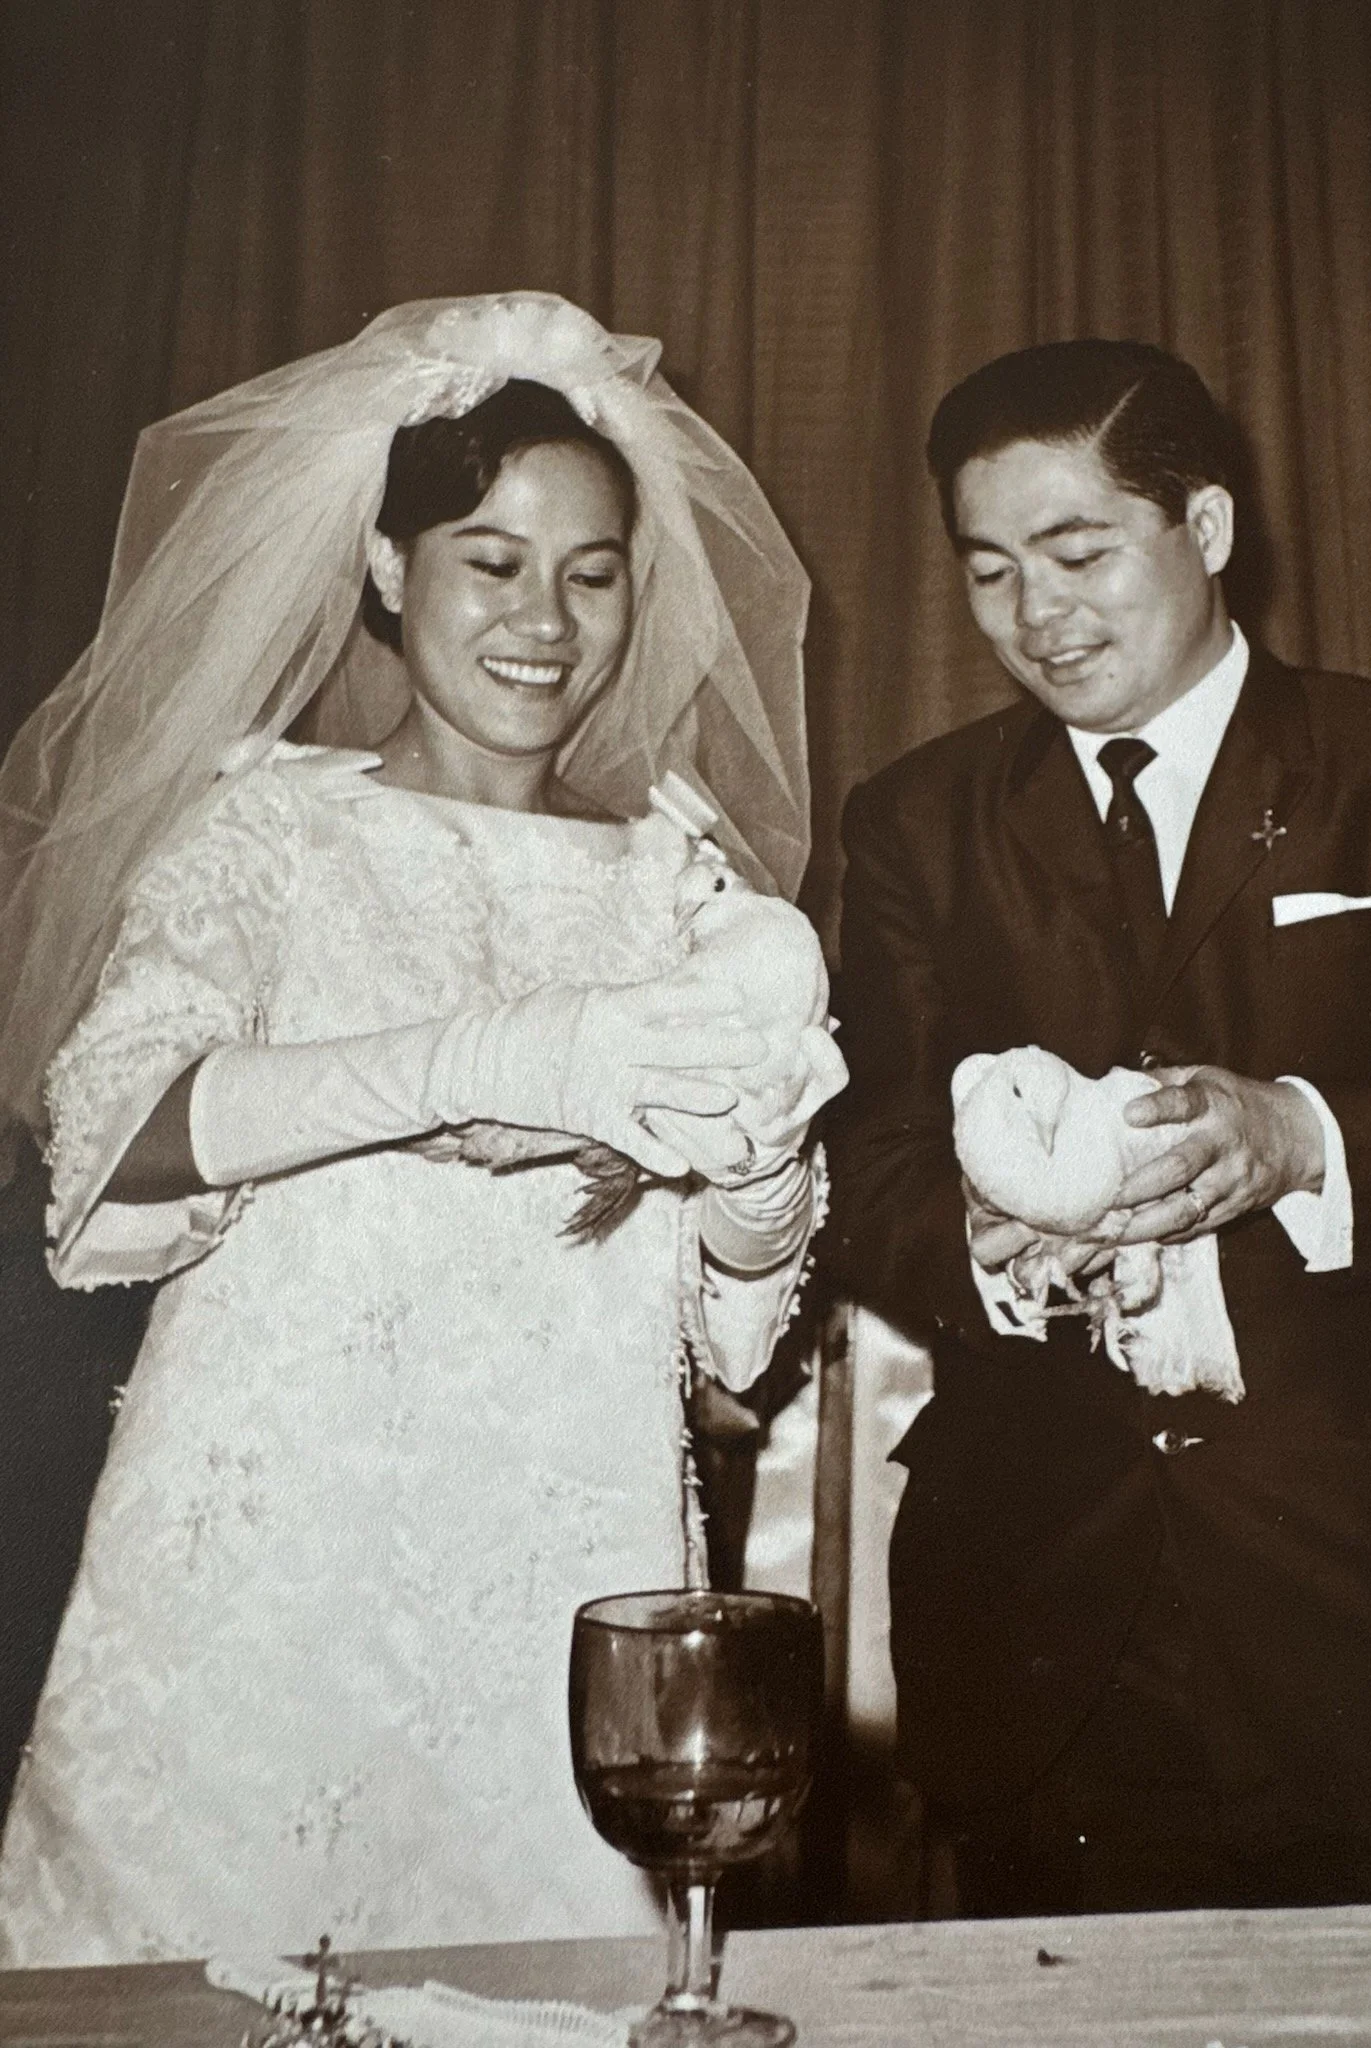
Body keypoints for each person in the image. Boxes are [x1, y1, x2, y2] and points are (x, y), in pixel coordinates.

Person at [0, 293, 842, 1962]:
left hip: (560, 1579)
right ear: (387, 572)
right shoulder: (268, 838)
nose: (548, 619)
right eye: (491, 560)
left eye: (592, 572)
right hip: (261, 1572)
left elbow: (735, 1332)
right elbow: (111, 1137)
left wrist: (757, 1164)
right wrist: (496, 1053)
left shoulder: (681, 886)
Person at [825, 337, 1371, 1916]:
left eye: (1080, 553)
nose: (1037, 616)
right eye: (992, 570)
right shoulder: (914, 826)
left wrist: (1306, 1136)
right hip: (1043, 1620)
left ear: (1205, 529)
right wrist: (995, 1256)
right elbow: (863, 1170)